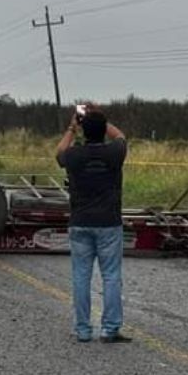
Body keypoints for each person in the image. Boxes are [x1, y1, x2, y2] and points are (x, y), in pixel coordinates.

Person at [56, 107, 130, 343]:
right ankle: (110, 329)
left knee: (80, 277)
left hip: (80, 222)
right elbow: (121, 137)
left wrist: (72, 126)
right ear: (103, 131)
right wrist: (99, 117)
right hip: (109, 222)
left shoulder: (74, 155)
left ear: (83, 131)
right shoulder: (114, 153)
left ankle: (83, 329)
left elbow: (59, 153)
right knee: (111, 276)